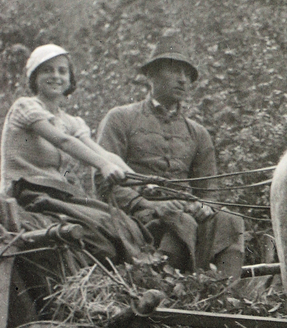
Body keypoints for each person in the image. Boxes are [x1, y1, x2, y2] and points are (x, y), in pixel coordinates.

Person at [97, 35, 245, 279]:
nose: (183, 80)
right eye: (174, 71)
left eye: (187, 75)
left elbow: (209, 190)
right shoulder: (121, 118)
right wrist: (149, 204)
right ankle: (162, 285)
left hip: (183, 212)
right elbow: (103, 181)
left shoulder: (198, 134)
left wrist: (205, 206)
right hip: (135, 216)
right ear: (151, 75)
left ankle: (223, 294)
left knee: (231, 221)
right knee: (179, 220)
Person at [0, 43, 146, 260]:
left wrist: (144, 182)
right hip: (26, 192)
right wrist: (103, 166)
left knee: (118, 222)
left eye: (62, 71)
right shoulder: (25, 107)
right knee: (95, 232)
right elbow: (62, 141)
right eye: (47, 70)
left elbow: (103, 153)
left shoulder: (71, 121)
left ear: (70, 79)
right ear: (34, 77)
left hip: (56, 192)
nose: (56, 76)